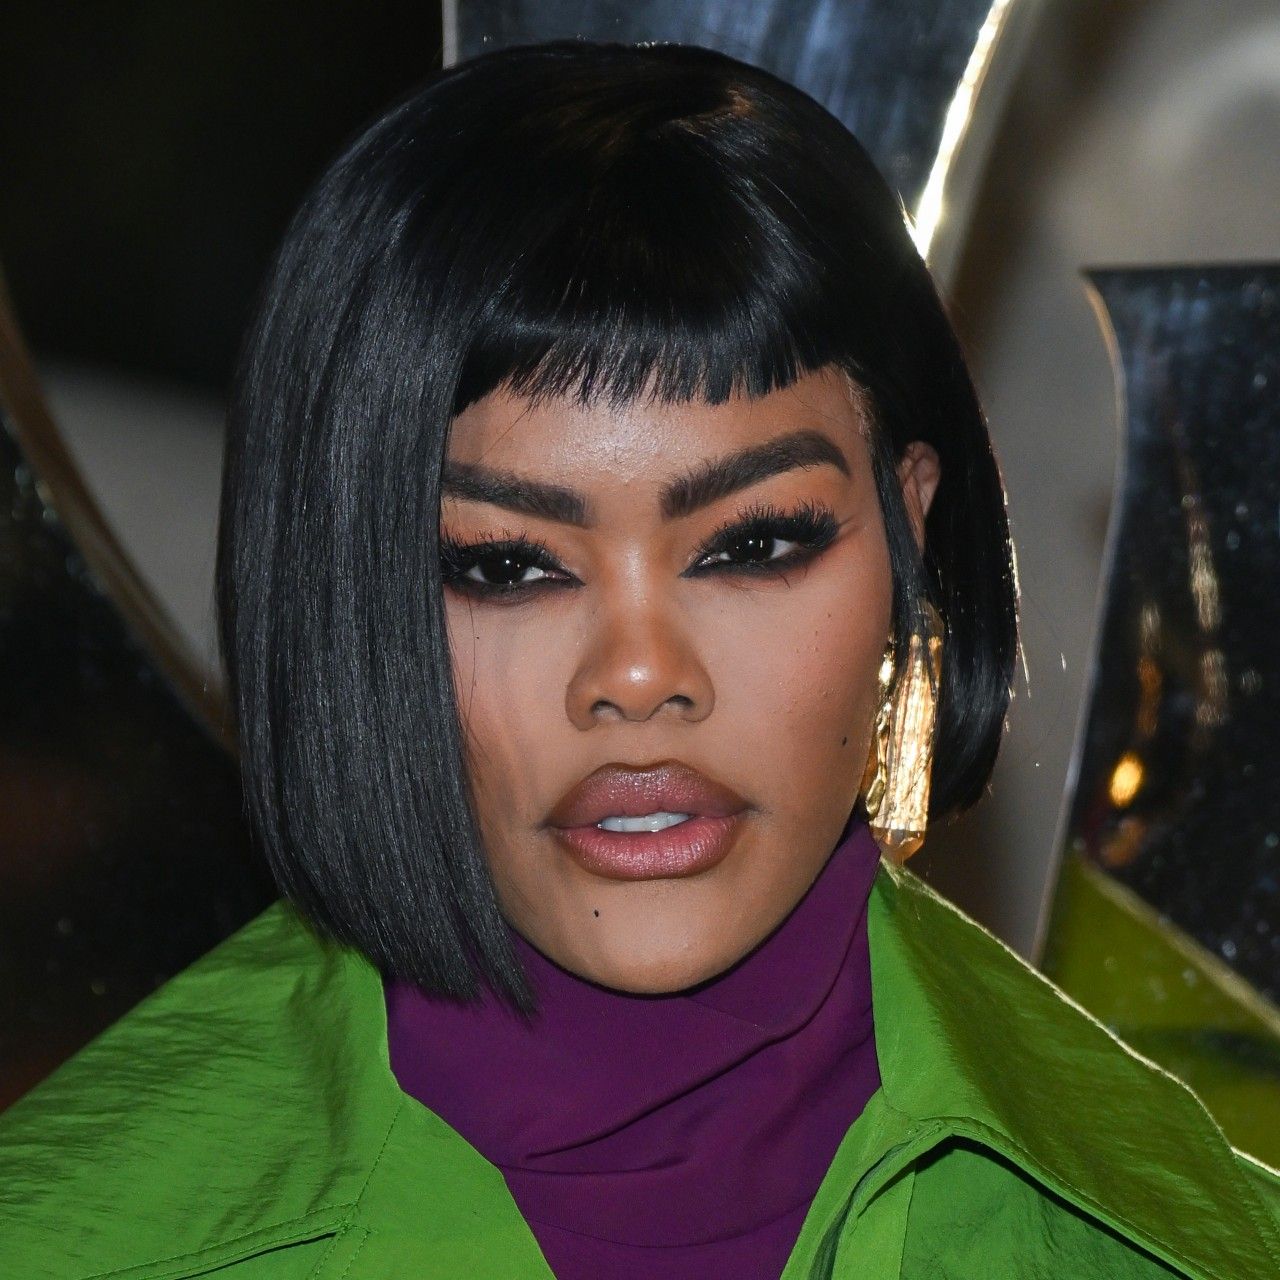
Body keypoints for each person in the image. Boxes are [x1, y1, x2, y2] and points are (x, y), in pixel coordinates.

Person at [2, 38, 1277, 1280]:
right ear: (344, 596)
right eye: (506, 564)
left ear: (907, 535)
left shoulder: (1189, 1242)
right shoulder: (68, 1237)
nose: (636, 672)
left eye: (752, 544)